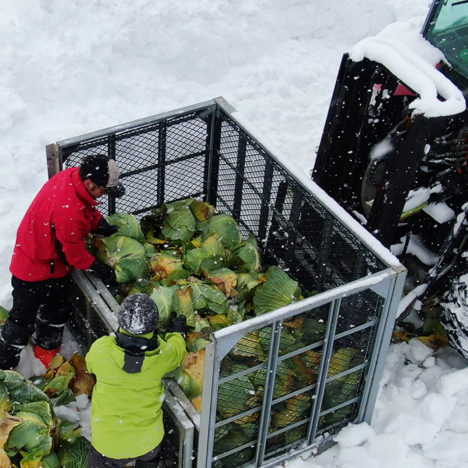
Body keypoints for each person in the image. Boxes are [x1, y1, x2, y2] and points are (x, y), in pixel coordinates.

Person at [0, 154, 125, 370]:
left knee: (56, 309)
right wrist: (100, 267)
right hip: (32, 268)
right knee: (22, 320)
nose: (104, 194)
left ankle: (46, 352)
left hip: (48, 262)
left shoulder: (72, 176)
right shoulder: (68, 211)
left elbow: (84, 207)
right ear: (89, 183)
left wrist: (98, 222)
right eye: (103, 190)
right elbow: (73, 254)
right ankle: (5, 363)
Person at [86, 293, 187, 468]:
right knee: (149, 457)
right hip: (148, 442)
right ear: (154, 325)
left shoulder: (101, 349)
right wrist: (177, 333)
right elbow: (178, 352)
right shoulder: (162, 355)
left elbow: (90, 365)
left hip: (109, 443)